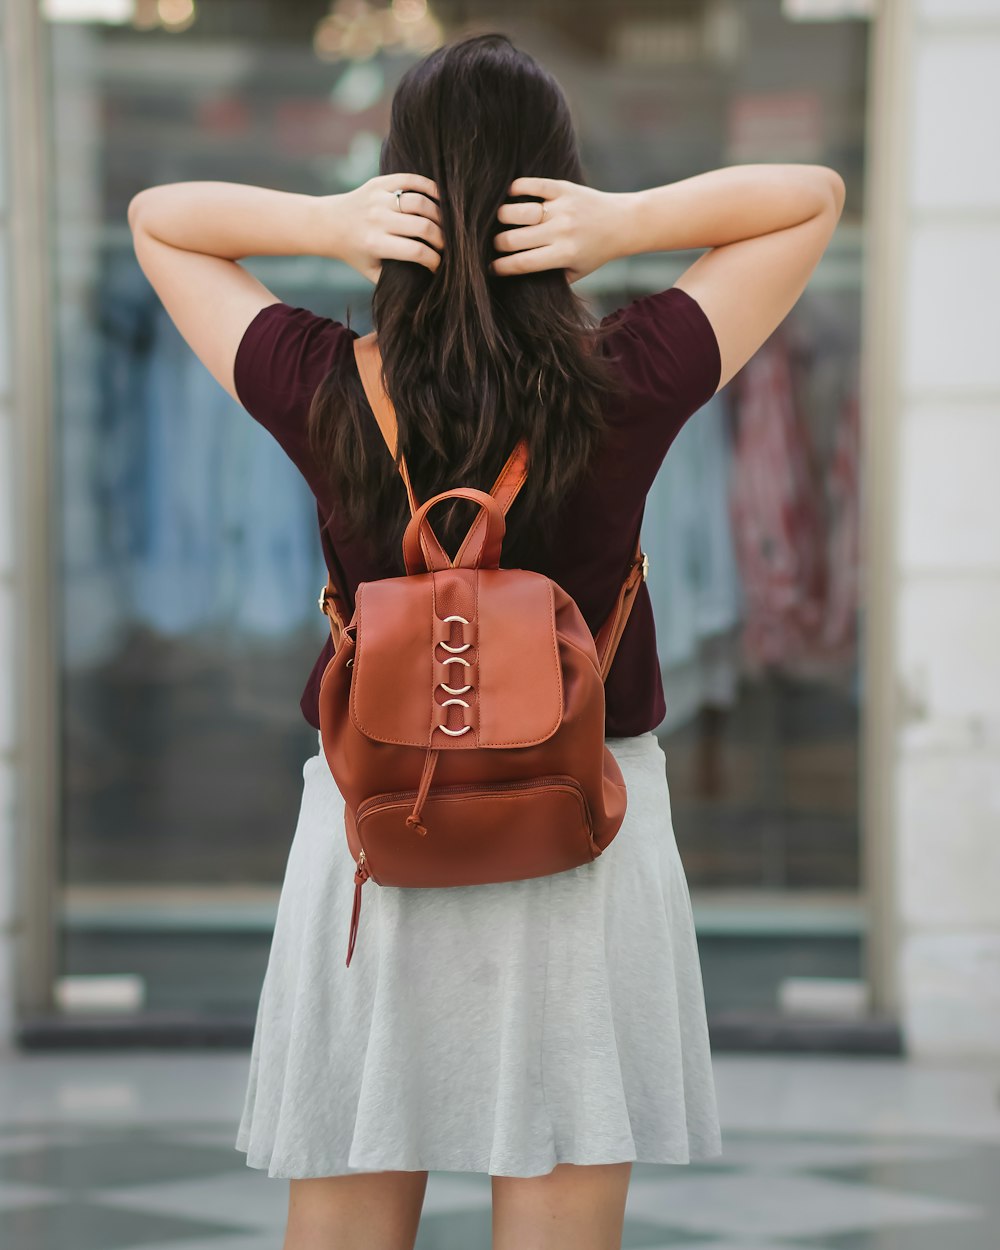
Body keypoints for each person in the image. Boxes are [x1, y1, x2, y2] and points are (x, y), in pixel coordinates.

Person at [128, 29, 844, 1250]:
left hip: (374, 836)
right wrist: (621, 225)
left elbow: (161, 220)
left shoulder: (322, 380)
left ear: (397, 190)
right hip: (585, 827)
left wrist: (331, 222)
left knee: (348, 1209)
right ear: (553, 188)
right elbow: (808, 203)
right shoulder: (628, 373)